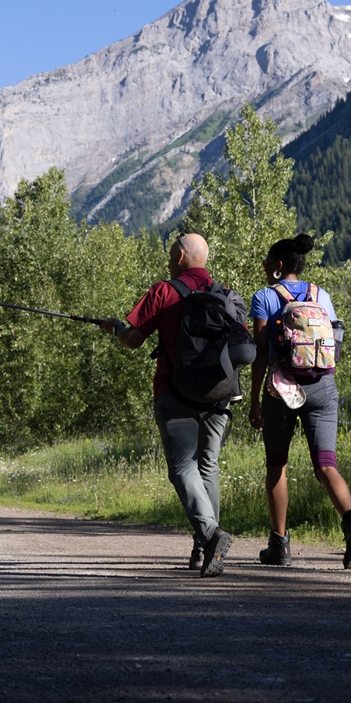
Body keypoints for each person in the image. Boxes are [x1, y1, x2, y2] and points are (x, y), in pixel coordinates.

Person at [101, 233, 235, 578]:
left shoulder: (164, 290)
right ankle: (202, 546)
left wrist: (116, 328)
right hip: (218, 395)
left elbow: (132, 339)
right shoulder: (224, 294)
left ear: (178, 255)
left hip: (174, 394)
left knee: (182, 468)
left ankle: (209, 535)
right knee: (208, 466)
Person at [247, 233, 351, 569]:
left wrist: (255, 400)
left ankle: (280, 546)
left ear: (279, 266)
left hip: (281, 390)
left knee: (277, 464)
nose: (264, 266)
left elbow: (259, 355)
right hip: (323, 387)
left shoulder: (264, 298)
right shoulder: (322, 296)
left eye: (268, 261)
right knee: (326, 465)